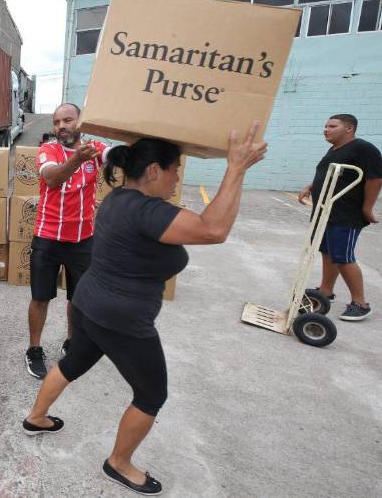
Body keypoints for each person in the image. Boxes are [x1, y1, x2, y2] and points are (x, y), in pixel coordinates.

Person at [22, 124, 267, 495]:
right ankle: (118, 463)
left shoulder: (118, 199)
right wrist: (235, 168)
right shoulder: (146, 211)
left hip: (89, 304)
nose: (177, 179)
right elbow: (214, 229)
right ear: (153, 170)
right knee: (152, 395)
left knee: (71, 365)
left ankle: (36, 418)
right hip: (122, 318)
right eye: (175, 171)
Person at [25, 103, 109, 379]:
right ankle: (34, 349)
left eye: (68, 120)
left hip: (83, 240)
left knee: (78, 299)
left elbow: (116, 155)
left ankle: (72, 343)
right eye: (57, 122)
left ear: (80, 122)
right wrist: (76, 160)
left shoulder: (94, 147)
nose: (62, 126)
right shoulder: (48, 150)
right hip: (48, 238)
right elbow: (51, 179)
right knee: (40, 297)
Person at [298, 114, 382, 321]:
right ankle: (326, 291)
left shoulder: (363, 148)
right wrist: (311, 185)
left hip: (346, 214)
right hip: (325, 211)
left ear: (349, 128)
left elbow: (376, 178)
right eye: (325, 125)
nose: (326, 129)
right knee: (327, 252)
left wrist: (367, 208)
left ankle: (360, 303)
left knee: (343, 257)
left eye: (332, 126)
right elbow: (328, 174)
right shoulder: (334, 149)